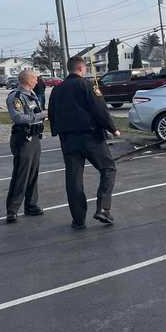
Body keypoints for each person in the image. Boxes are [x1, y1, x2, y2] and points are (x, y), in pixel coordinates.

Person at [48, 56, 120, 230]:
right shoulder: (87, 85)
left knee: (73, 179)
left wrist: (59, 132)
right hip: (90, 137)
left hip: (68, 140)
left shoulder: (57, 90)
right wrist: (112, 129)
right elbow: (99, 109)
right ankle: (103, 208)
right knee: (108, 168)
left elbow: (52, 114)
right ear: (81, 69)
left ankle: (78, 220)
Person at [5, 69, 46, 223]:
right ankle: (12, 209)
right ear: (27, 80)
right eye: (35, 78)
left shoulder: (32, 94)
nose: (37, 80)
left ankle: (31, 205)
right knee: (21, 174)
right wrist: (42, 115)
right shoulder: (16, 96)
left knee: (33, 173)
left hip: (34, 138)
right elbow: (18, 117)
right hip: (23, 139)